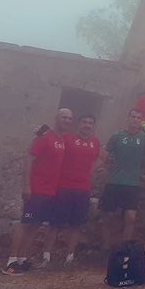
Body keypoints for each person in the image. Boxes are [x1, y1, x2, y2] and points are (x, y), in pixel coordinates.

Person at [3, 109, 69, 275]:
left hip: (50, 191)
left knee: (35, 225)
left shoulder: (61, 140)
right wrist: (27, 185)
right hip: (36, 189)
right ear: (56, 118)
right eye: (64, 117)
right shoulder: (44, 137)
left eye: (69, 118)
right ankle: (11, 261)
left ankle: (22, 259)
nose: (67, 120)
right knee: (25, 223)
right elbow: (30, 159)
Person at [100, 108, 145, 248]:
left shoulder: (144, 138)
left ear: (141, 121)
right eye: (133, 117)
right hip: (114, 181)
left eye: (138, 118)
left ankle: (124, 249)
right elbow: (104, 155)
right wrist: (104, 168)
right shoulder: (116, 136)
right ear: (128, 118)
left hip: (133, 184)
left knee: (130, 217)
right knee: (107, 217)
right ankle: (106, 248)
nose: (135, 120)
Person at [54, 113, 101, 267]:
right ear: (79, 123)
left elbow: (99, 159)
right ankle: (47, 256)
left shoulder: (95, 142)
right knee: (55, 223)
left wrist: (90, 172)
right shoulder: (67, 138)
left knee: (77, 224)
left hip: (83, 188)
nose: (87, 125)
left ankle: (69, 257)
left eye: (90, 123)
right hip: (64, 186)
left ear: (93, 126)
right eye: (84, 122)